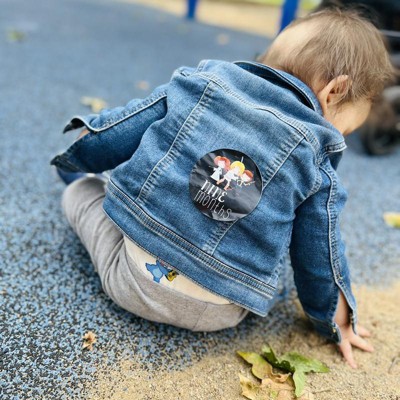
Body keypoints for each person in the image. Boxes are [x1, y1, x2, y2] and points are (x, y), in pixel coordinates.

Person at [51, 8, 396, 369]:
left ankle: (89, 185)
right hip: (224, 309)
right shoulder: (316, 160)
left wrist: (80, 151)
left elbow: (123, 128)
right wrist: (335, 320)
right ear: (334, 92)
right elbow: (321, 253)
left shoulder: (200, 83)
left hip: (132, 280)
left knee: (82, 193)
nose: (338, 138)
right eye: (346, 131)